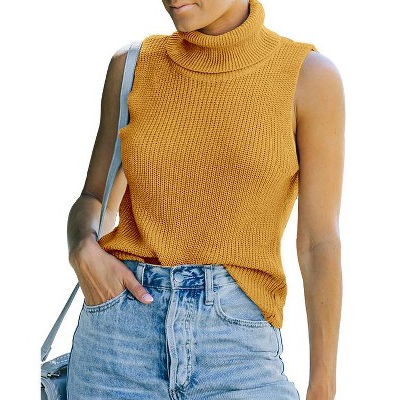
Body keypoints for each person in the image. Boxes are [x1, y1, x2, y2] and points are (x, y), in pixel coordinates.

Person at [66, 0, 344, 399]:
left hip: (238, 350)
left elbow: (319, 243)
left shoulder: (308, 77)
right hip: (117, 342)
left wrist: (323, 384)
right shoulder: (132, 66)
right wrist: (81, 247)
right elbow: (95, 197)